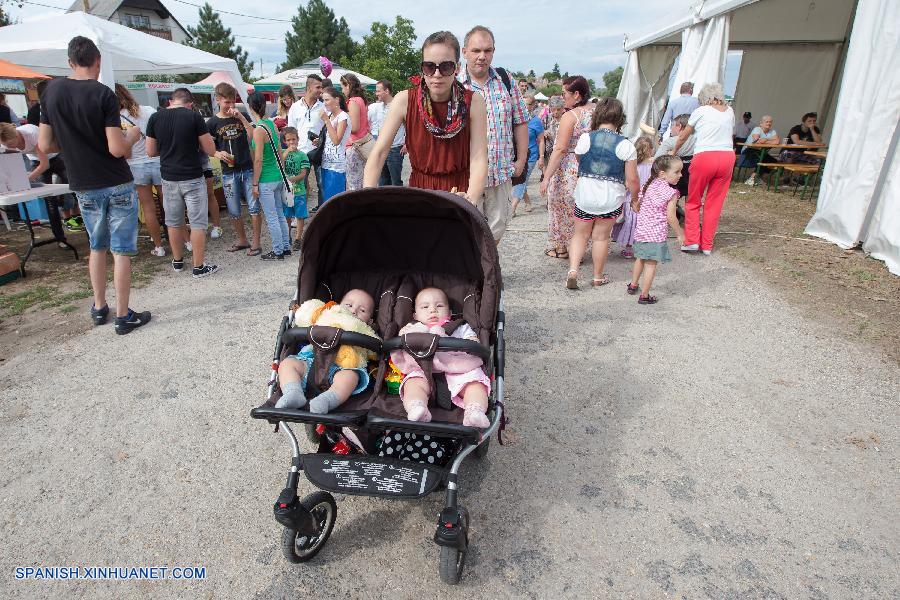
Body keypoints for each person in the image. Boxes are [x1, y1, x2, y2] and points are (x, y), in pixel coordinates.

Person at [38, 36, 150, 335]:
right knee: (121, 250)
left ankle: (99, 307)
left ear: (70, 61)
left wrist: (75, 143)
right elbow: (117, 148)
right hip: (115, 181)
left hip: (83, 183)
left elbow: (44, 144)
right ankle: (124, 315)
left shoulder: (51, 92)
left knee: (97, 247)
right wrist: (133, 136)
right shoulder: (102, 94)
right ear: (97, 61)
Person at [362, 31, 488, 201]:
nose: (437, 74)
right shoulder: (404, 101)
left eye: (446, 67)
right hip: (419, 195)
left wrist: (470, 201)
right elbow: (379, 153)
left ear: (457, 68)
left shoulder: (474, 102)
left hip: (460, 192)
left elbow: (479, 158)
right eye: (430, 66)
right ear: (422, 68)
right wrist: (365, 202)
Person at [560, 97, 639, 290]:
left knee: (580, 234)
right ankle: (597, 277)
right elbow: (632, 180)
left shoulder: (586, 138)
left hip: (585, 195)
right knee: (601, 237)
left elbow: (580, 159)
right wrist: (635, 198)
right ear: (620, 118)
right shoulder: (626, 145)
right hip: (610, 199)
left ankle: (573, 271)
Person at [460, 25, 529, 243]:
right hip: (466, 173)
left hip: (500, 172)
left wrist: (522, 160)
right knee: (466, 228)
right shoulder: (454, 83)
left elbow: (520, 121)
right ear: (464, 52)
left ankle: (486, 270)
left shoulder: (505, 80)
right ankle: (475, 275)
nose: (482, 56)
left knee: (497, 228)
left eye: (487, 51)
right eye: (476, 50)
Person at [391, 287, 491, 428]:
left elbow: (473, 342)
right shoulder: (412, 328)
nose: (433, 310)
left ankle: (475, 411)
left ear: (450, 313)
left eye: (439, 305)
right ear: (415, 315)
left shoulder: (459, 327)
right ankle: (417, 407)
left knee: (475, 384)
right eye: (425, 307)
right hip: (423, 368)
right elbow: (401, 342)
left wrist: (453, 338)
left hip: (459, 369)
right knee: (412, 384)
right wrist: (408, 333)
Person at [145, 87, 218, 278]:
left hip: (168, 177)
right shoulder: (194, 117)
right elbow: (210, 149)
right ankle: (198, 266)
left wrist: (169, 151)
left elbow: (150, 151)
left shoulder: (155, 117)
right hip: (192, 176)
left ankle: (177, 261)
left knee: (174, 222)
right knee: (197, 223)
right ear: (190, 103)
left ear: (171, 101)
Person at [276, 289, 377, 412]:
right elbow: (305, 321)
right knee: (287, 364)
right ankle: (293, 392)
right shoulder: (325, 316)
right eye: (348, 305)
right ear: (337, 306)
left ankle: (328, 400)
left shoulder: (366, 331)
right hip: (310, 360)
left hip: (344, 367)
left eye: (362, 310)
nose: (353, 311)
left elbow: (376, 348)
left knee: (351, 377)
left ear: (370, 321)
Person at [670, 82, 735, 255]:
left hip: (705, 156)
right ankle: (707, 245)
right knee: (714, 203)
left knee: (693, 200)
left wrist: (674, 150)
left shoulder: (700, 111)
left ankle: (692, 241)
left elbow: (684, 135)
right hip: (727, 157)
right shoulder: (730, 111)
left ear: (704, 98)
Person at [539, 76, 595, 260]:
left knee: (560, 206)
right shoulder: (597, 112)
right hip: (590, 166)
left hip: (568, 168)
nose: (563, 98)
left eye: (564, 94)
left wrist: (546, 177)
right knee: (582, 208)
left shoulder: (570, 116)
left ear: (576, 94)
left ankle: (564, 249)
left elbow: (561, 149)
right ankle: (581, 247)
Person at [207, 83, 261, 255]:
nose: (230, 106)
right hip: (228, 171)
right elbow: (207, 146)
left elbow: (253, 137)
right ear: (217, 100)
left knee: (253, 207)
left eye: (232, 102)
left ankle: (256, 243)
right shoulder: (212, 122)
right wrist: (217, 153)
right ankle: (242, 240)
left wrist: (242, 119)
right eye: (226, 103)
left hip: (247, 168)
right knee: (234, 209)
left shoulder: (241, 115)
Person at [115, 84, 165, 257]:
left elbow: (124, 152)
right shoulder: (148, 110)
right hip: (157, 160)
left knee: (148, 208)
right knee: (170, 204)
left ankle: (158, 246)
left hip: (135, 165)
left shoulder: (115, 119)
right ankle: (186, 240)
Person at [627, 155, 685, 304]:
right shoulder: (671, 193)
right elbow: (671, 217)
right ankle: (644, 296)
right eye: (677, 172)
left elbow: (638, 206)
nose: (681, 175)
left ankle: (633, 285)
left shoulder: (650, 185)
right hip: (655, 234)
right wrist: (680, 233)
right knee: (651, 264)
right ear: (662, 174)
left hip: (641, 231)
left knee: (640, 258)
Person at [243, 91, 291, 260]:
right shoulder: (271, 125)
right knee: (279, 213)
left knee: (271, 216)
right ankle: (285, 247)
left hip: (266, 180)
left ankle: (278, 250)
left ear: (250, 108)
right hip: (277, 176)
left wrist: (254, 184)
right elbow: (279, 150)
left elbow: (258, 160)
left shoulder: (258, 130)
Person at [287, 74, 325, 210]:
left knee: (322, 184)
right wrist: (292, 150)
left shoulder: (324, 106)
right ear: (309, 87)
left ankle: (322, 211)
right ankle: (300, 213)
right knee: (300, 184)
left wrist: (320, 140)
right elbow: (290, 131)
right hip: (301, 153)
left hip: (320, 152)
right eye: (318, 87)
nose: (321, 90)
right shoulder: (295, 107)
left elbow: (328, 129)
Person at [614, 136, 655, 258]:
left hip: (631, 199)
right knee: (644, 225)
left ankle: (629, 249)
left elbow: (627, 184)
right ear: (651, 150)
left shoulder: (632, 165)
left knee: (630, 224)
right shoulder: (654, 165)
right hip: (647, 200)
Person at [510, 94, 544, 217]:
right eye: (523, 103)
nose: (525, 106)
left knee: (520, 181)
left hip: (530, 156)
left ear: (533, 105)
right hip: (515, 154)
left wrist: (541, 157)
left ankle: (512, 208)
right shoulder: (514, 118)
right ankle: (528, 201)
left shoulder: (536, 121)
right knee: (520, 180)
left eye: (529, 104)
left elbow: (541, 140)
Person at [368, 79, 406, 186]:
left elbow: (409, 125)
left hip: (395, 149)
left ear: (387, 91)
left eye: (378, 91)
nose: (376, 93)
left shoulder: (399, 106)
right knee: (382, 181)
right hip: (382, 148)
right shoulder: (378, 107)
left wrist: (407, 143)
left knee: (395, 182)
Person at [318, 87, 351, 202]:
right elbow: (330, 139)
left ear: (337, 100)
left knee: (335, 201)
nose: (324, 103)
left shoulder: (343, 117)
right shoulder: (331, 115)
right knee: (327, 199)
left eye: (327, 100)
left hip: (336, 165)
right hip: (326, 162)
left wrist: (326, 120)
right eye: (323, 100)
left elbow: (336, 141)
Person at [340, 74, 371, 192]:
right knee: (363, 183)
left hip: (354, 146)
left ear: (348, 86)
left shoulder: (352, 101)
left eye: (343, 87)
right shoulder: (360, 100)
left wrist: (340, 125)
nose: (342, 91)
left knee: (354, 185)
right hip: (361, 145)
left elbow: (355, 127)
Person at [281, 126, 310, 251]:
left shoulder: (302, 155)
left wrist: (291, 180)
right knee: (286, 215)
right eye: (288, 140)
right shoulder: (282, 153)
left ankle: (298, 237)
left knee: (300, 215)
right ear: (284, 142)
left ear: (298, 139)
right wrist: (286, 152)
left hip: (299, 190)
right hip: (286, 192)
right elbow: (279, 164)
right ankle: (287, 237)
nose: (291, 142)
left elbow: (303, 174)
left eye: (294, 139)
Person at [655, 113, 695, 200]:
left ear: (680, 126)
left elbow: (657, 159)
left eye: (673, 125)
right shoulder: (697, 140)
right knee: (689, 195)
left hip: (674, 174)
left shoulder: (670, 142)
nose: (671, 128)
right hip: (691, 173)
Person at [740, 115, 779, 185]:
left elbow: (777, 142)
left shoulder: (772, 131)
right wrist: (770, 140)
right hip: (749, 150)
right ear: (761, 123)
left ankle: (757, 178)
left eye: (770, 122)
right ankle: (752, 179)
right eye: (766, 122)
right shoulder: (757, 129)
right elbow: (757, 141)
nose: (769, 123)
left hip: (760, 151)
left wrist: (765, 140)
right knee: (764, 159)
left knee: (773, 161)